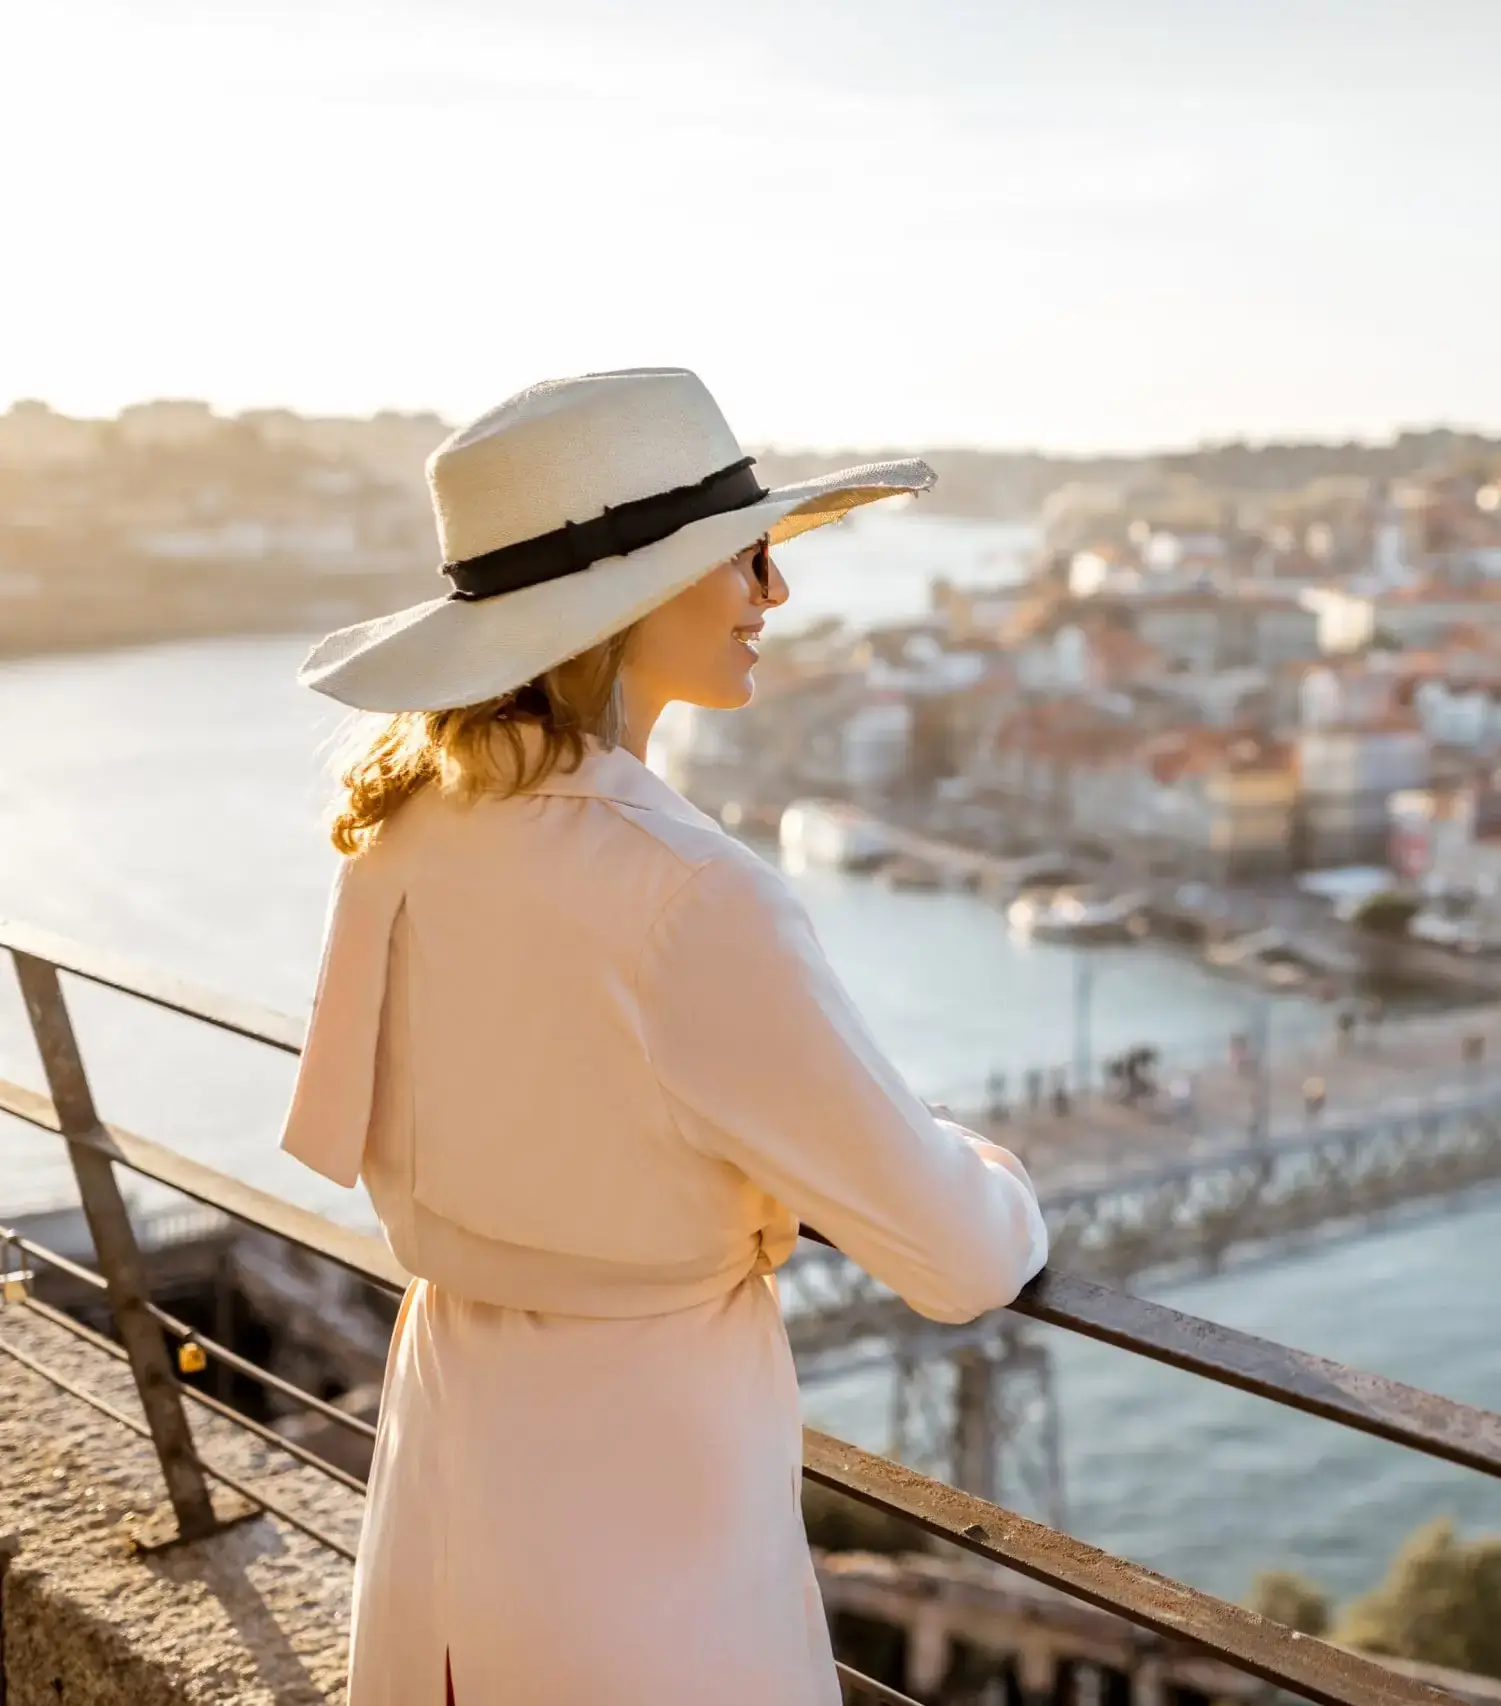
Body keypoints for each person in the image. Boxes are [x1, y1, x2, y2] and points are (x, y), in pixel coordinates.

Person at [278, 369, 1049, 1706]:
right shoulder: (694, 894)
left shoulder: (404, 833)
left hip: (450, 1490)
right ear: (641, 593)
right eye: (749, 558)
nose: (774, 596)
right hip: (648, 1537)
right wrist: (987, 1165)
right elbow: (963, 1258)